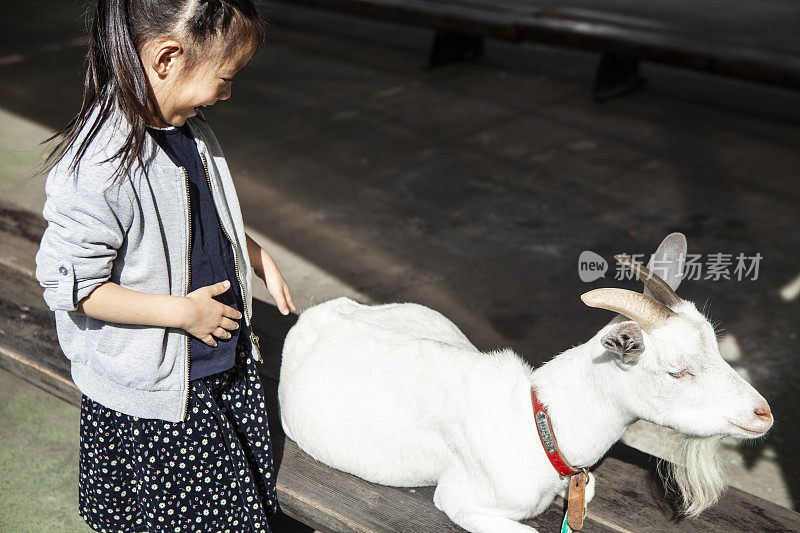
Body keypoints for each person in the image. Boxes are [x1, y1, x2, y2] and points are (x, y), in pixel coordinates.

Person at [33, 1, 296, 531]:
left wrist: (254, 254)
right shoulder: (98, 166)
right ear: (168, 58)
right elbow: (76, 289)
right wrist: (183, 314)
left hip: (215, 363)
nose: (226, 93)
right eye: (224, 78)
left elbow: (203, 213)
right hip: (159, 397)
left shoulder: (189, 133)